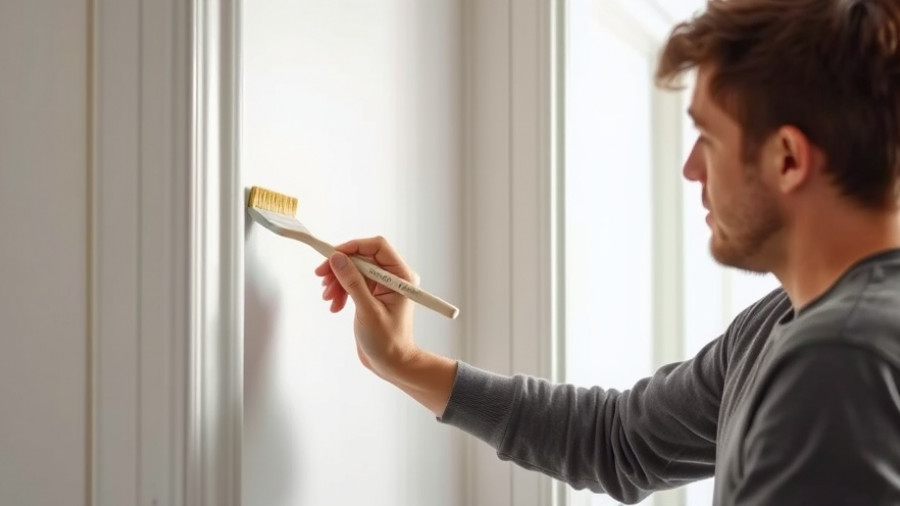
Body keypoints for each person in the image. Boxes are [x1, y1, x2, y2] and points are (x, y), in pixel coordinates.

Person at [315, 0, 900, 504]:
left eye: (709, 138)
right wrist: (404, 361)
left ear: (788, 159)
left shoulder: (840, 359)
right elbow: (621, 441)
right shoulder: (781, 325)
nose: (690, 167)